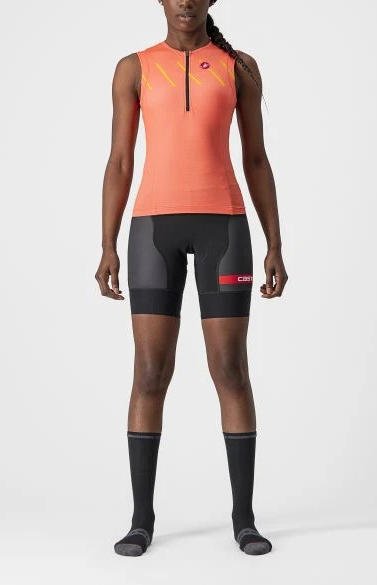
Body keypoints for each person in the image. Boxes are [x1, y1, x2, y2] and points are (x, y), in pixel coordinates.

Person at [95, 0, 288, 556]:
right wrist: (107, 244)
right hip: (151, 231)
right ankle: (141, 520)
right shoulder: (134, 67)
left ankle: (244, 520)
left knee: (230, 368)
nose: (185, 1)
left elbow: (256, 158)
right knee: (150, 372)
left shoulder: (239, 67)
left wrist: (275, 242)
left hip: (223, 229)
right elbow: (120, 161)